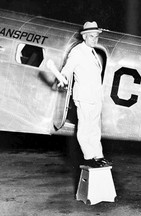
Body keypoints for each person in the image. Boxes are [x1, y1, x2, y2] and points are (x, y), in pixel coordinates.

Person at [56, 21, 111, 168]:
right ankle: (88, 157)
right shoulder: (77, 52)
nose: (95, 39)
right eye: (92, 36)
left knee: (95, 128)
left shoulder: (92, 52)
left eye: (97, 37)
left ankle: (99, 156)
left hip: (95, 97)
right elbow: (68, 68)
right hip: (85, 98)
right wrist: (63, 78)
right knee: (85, 128)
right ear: (84, 37)